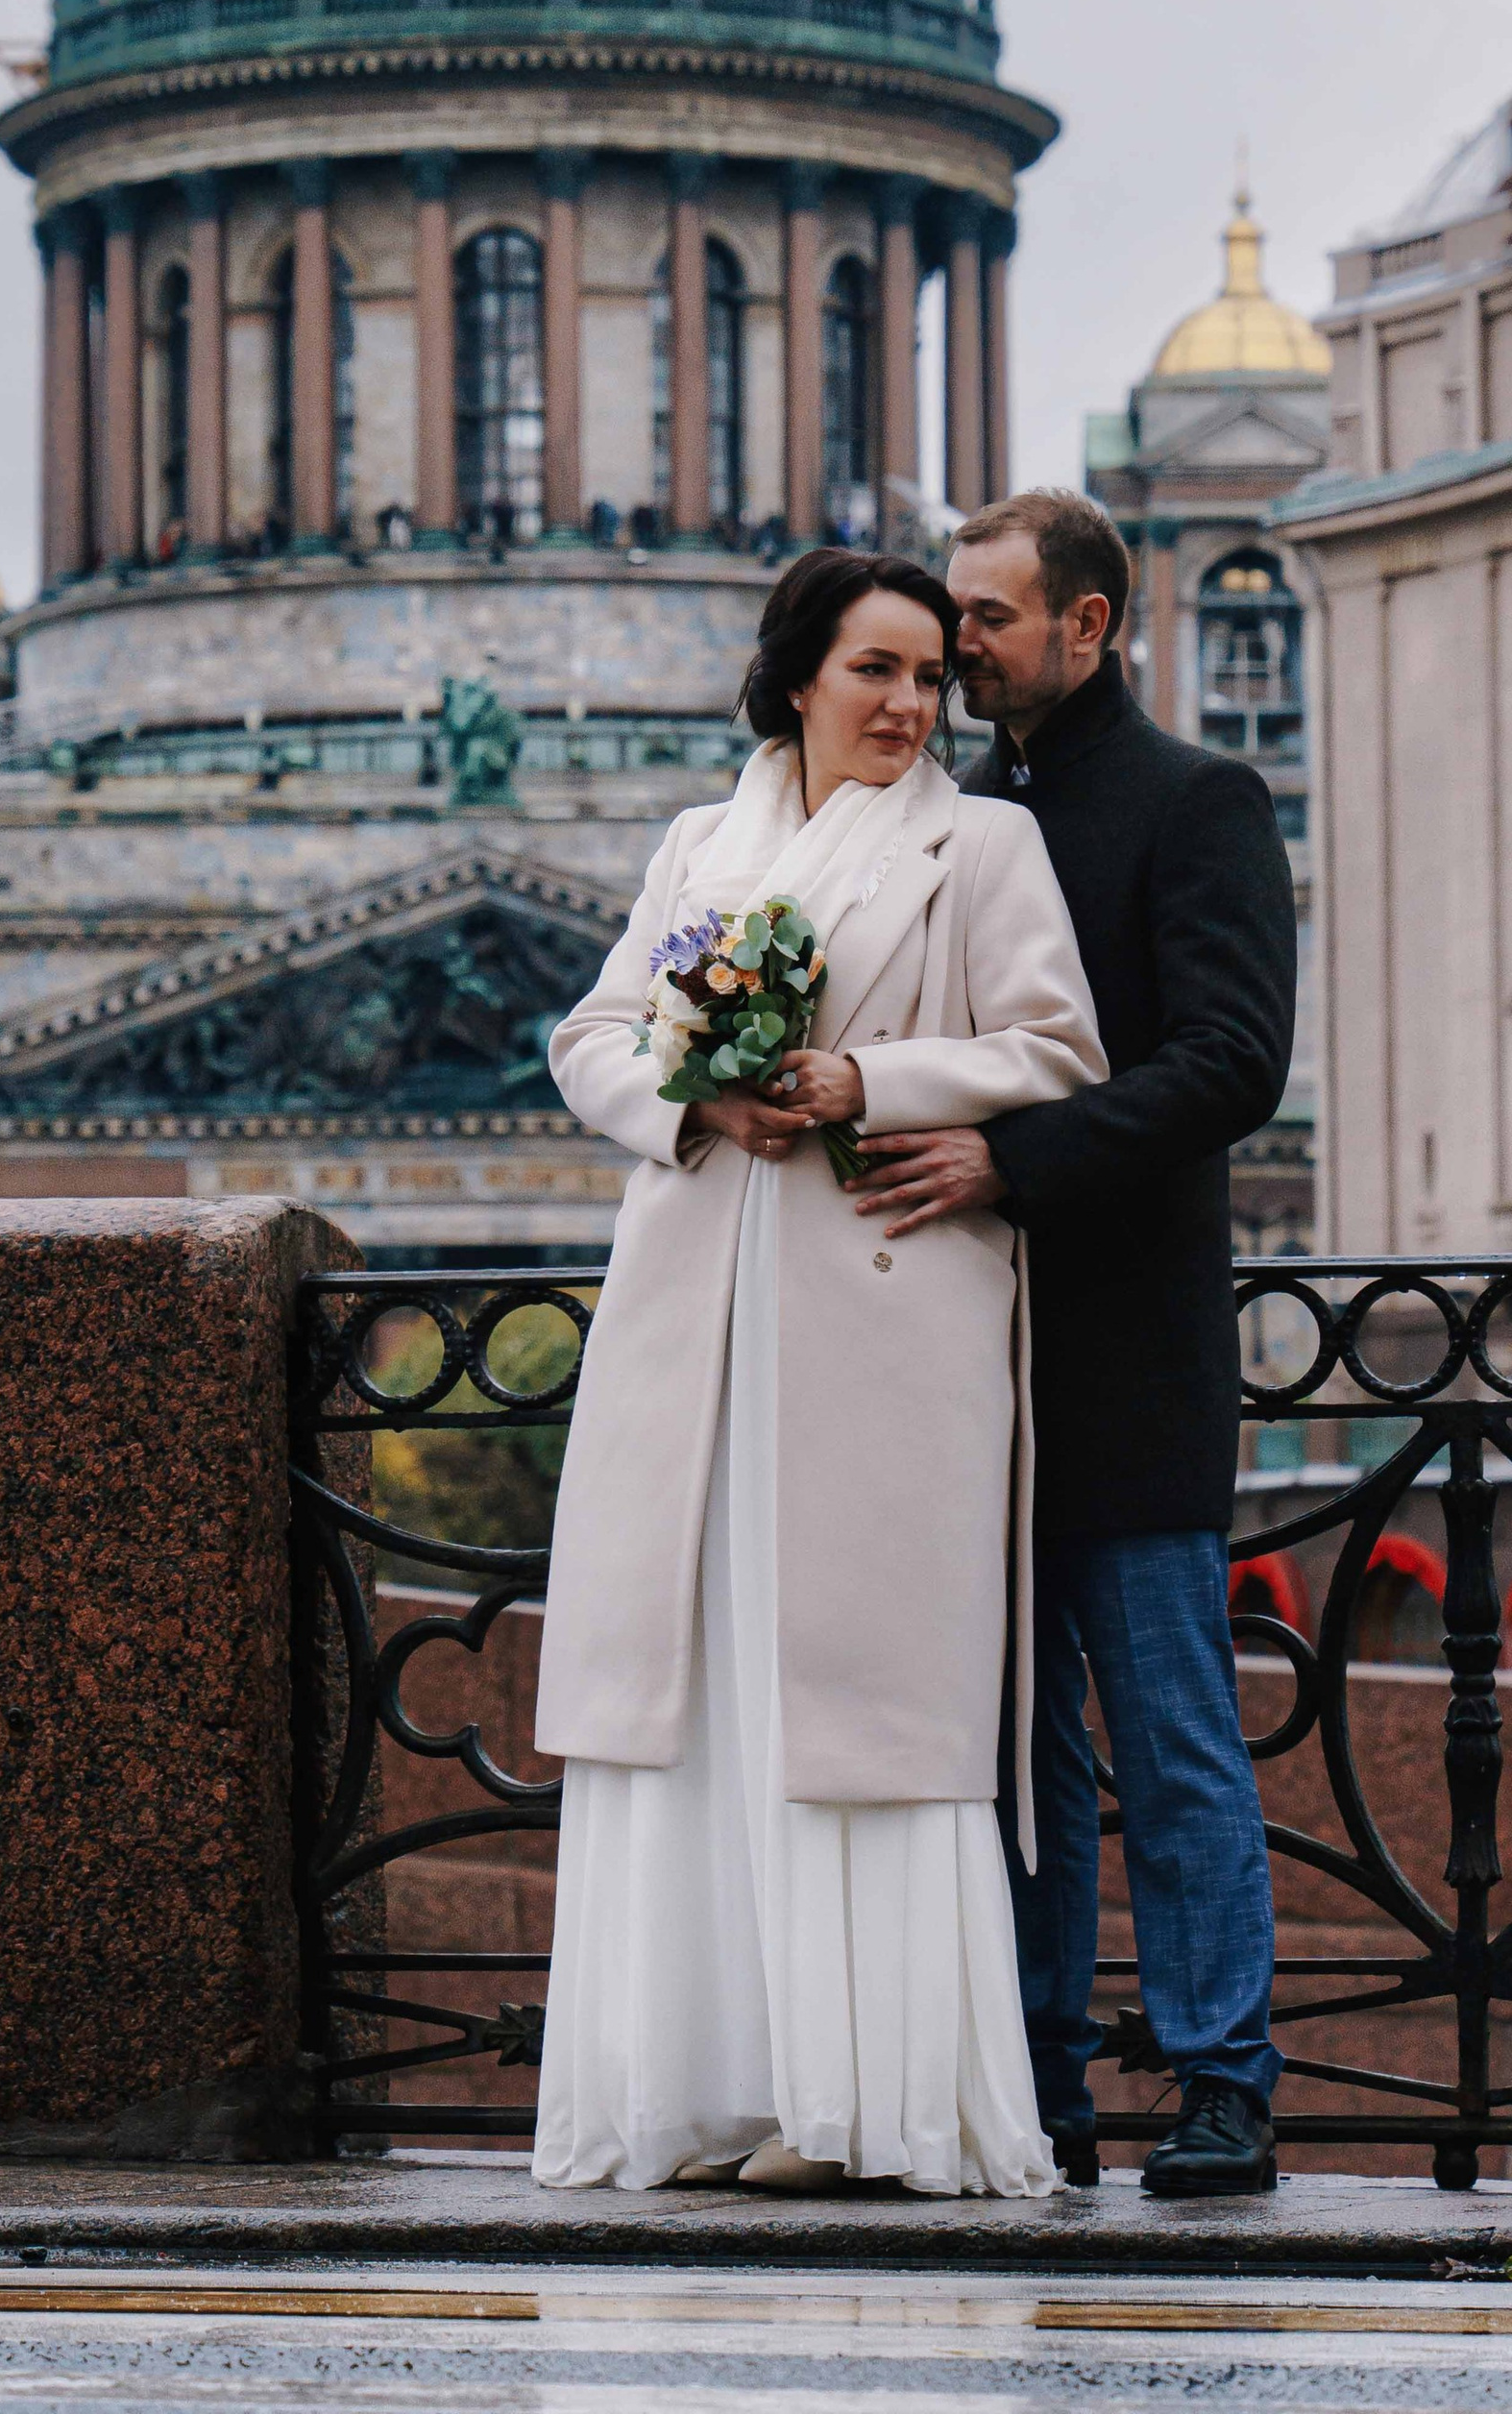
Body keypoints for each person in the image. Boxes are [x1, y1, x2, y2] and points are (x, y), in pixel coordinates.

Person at [531, 549, 1107, 2194]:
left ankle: (869, 2107)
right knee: (698, 1708)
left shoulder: (982, 841)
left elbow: (1056, 1053)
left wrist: (867, 1075)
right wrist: (691, 1101)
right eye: (876, 671)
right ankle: (711, 2088)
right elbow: (592, 1036)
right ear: (797, 678)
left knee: (859, 1714)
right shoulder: (701, 845)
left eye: (930, 676)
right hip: (699, 1333)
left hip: (878, 1334)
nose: (910, 705)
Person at [851, 490, 1297, 2201]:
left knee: (1170, 1735)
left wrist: (1008, 1160)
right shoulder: (944, 816)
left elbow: (1232, 1063)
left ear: (1088, 628)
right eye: (948, 615)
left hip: (1121, 1357)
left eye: (984, 617)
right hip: (959, 1364)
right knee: (1010, 1755)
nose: (954, 643)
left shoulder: (1195, 800)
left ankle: (1222, 2083)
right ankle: (1035, 2081)